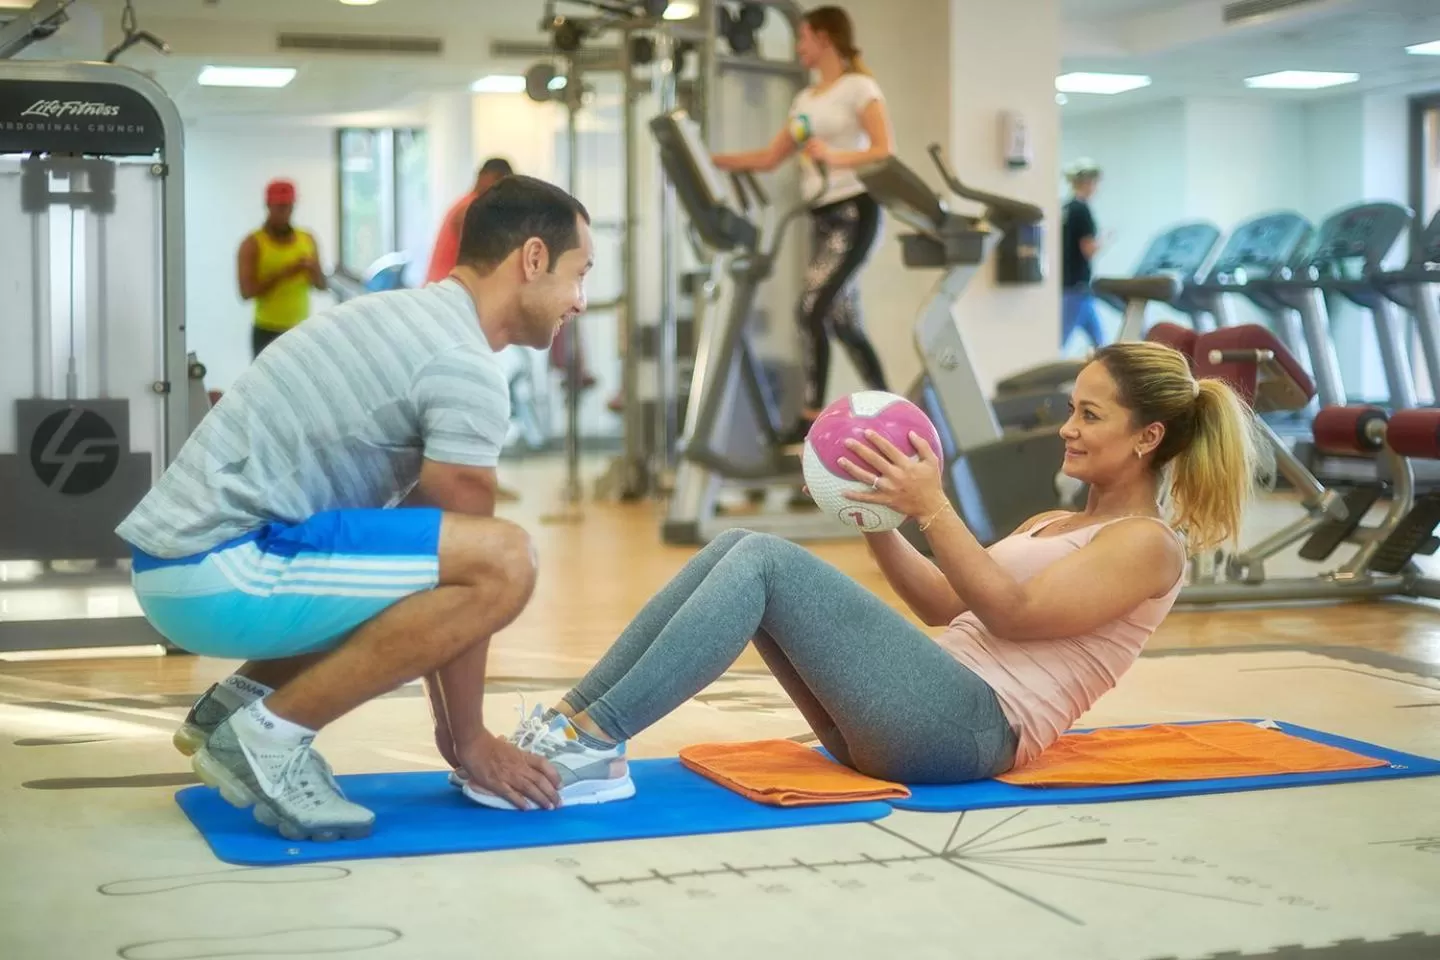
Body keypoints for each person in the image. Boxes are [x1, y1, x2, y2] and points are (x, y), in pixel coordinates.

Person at [466, 341, 1262, 809]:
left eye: (1092, 414)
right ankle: (571, 729)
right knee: (741, 544)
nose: (1068, 427)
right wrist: (880, 516)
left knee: (766, 562)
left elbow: (1014, 613)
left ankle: (589, 745)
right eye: (1073, 408)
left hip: (970, 732)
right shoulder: (1054, 522)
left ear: (1150, 436)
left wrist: (935, 505)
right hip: (918, 713)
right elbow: (946, 604)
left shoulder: (1150, 545)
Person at [117, 176, 595, 839]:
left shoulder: (406, 316)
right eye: (580, 274)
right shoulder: (462, 363)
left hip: (183, 567)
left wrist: (457, 734)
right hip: (216, 569)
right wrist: (469, 742)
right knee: (508, 559)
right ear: (534, 259)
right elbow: (477, 570)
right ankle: (269, 737)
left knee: (422, 548)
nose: (581, 300)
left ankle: (238, 707)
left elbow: (428, 561)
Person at [711, 6, 894, 445]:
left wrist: (835, 157)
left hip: (856, 210)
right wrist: (712, 161)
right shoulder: (806, 100)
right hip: (822, 216)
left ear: (825, 38)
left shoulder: (859, 88)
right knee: (843, 321)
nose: (799, 48)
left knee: (810, 309)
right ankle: (889, 409)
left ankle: (809, 415)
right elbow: (771, 157)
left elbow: (884, 150)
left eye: (803, 38)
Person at [238, 179, 328, 359]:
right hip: (267, 330)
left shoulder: (307, 239)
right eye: (279, 207)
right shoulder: (252, 244)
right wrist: (284, 274)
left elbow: (322, 285)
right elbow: (246, 292)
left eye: (288, 207)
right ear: (268, 206)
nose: (284, 213)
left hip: (301, 328)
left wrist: (313, 270)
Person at [1061, 159, 1105, 351]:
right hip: (1076, 287)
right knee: (1059, 340)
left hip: (1074, 286)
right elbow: (1088, 249)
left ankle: (1111, 374)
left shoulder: (1067, 207)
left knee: (1100, 342)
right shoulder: (1082, 210)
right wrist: (1104, 241)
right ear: (1088, 182)